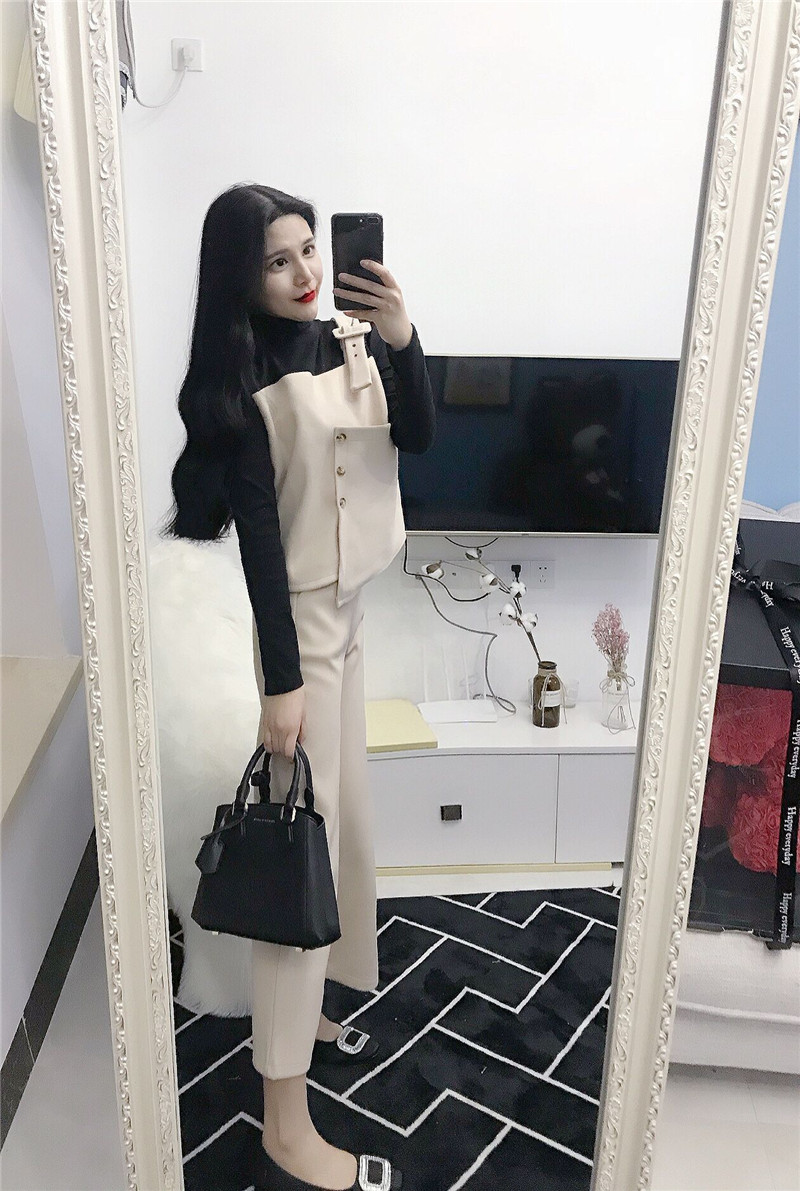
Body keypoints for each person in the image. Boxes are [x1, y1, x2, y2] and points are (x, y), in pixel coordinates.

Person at [163, 183, 435, 1191]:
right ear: (242, 275)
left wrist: (403, 340)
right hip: (302, 634)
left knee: (343, 831)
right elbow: (261, 550)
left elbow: (419, 441)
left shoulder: (346, 339)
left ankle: (314, 1013)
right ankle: (283, 1117)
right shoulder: (240, 380)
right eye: (277, 260)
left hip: (352, 619)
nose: (305, 271)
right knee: (295, 855)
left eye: (309, 249)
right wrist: (281, 683)